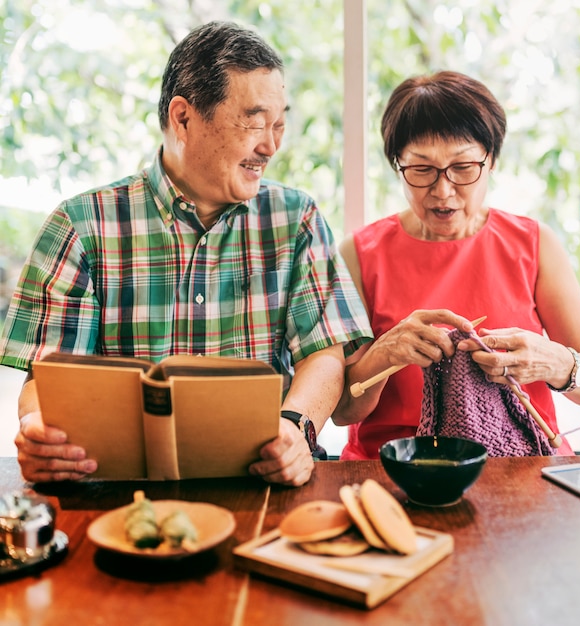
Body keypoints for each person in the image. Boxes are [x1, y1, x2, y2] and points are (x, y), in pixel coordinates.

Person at [0, 21, 372, 484]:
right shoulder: (80, 226)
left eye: (279, 124)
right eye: (255, 121)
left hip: (265, 486)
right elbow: (48, 379)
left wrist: (295, 427)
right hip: (122, 494)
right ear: (183, 118)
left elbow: (325, 355)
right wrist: (38, 432)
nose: (271, 145)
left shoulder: (296, 218)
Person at [333, 71, 580, 460]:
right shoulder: (359, 254)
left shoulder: (533, 244)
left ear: (492, 160)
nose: (443, 190)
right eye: (421, 169)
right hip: (395, 468)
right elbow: (341, 410)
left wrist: (553, 361)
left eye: (463, 167)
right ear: (397, 165)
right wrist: (386, 353)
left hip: (521, 464)